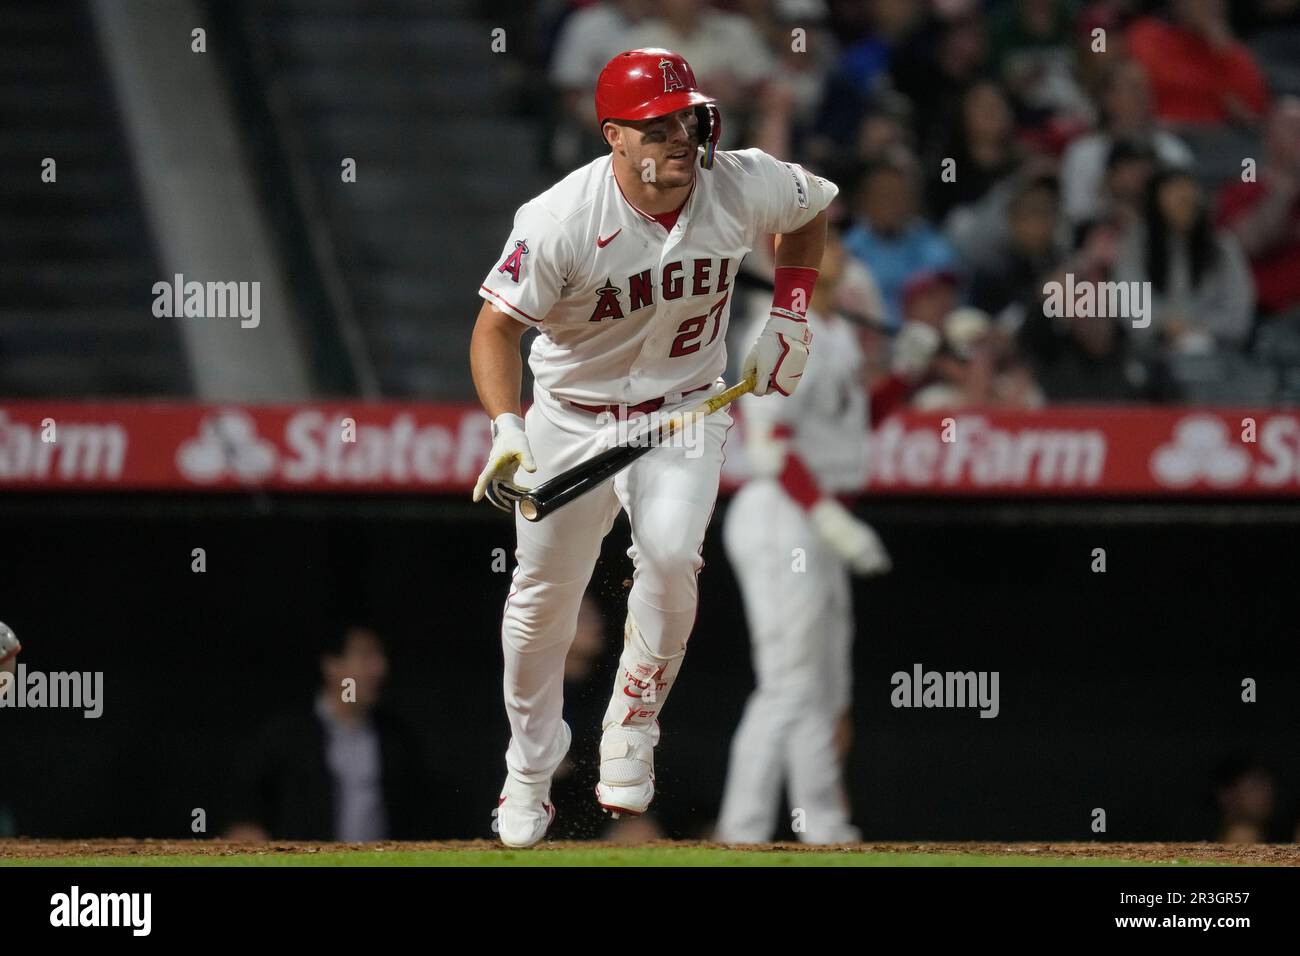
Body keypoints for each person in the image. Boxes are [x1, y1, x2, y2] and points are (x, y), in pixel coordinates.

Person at [470, 48, 838, 848]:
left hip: (683, 410)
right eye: (658, 124)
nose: (680, 134)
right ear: (614, 137)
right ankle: (530, 769)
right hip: (570, 417)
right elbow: (496, 327)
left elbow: (811, 209)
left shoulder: (738, 181)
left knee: (671, 554)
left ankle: (632, 723)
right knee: (543, 600)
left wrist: (789, 314)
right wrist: (505, 426)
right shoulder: (560, 219)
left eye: (688, 116)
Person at [716, 229, 934, 845]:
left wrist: (909, 374)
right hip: (783, 509)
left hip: (820, 514)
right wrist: (828, 519)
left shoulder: (835, 330)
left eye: (835, 243)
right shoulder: (779, 328)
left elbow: (853, 420)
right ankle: (742, 834)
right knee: (787, 681)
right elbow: (770, 443)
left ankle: (824, 825)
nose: (836, 252)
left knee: (824, 685)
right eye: (821, 246)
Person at [227, 626, 449, 842]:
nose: (380, 668)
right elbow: (248, 801)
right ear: (331, 664)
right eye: (365, 656)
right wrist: (246, 827)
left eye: (380, 656)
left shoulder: (396, 737)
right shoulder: (286, 734)